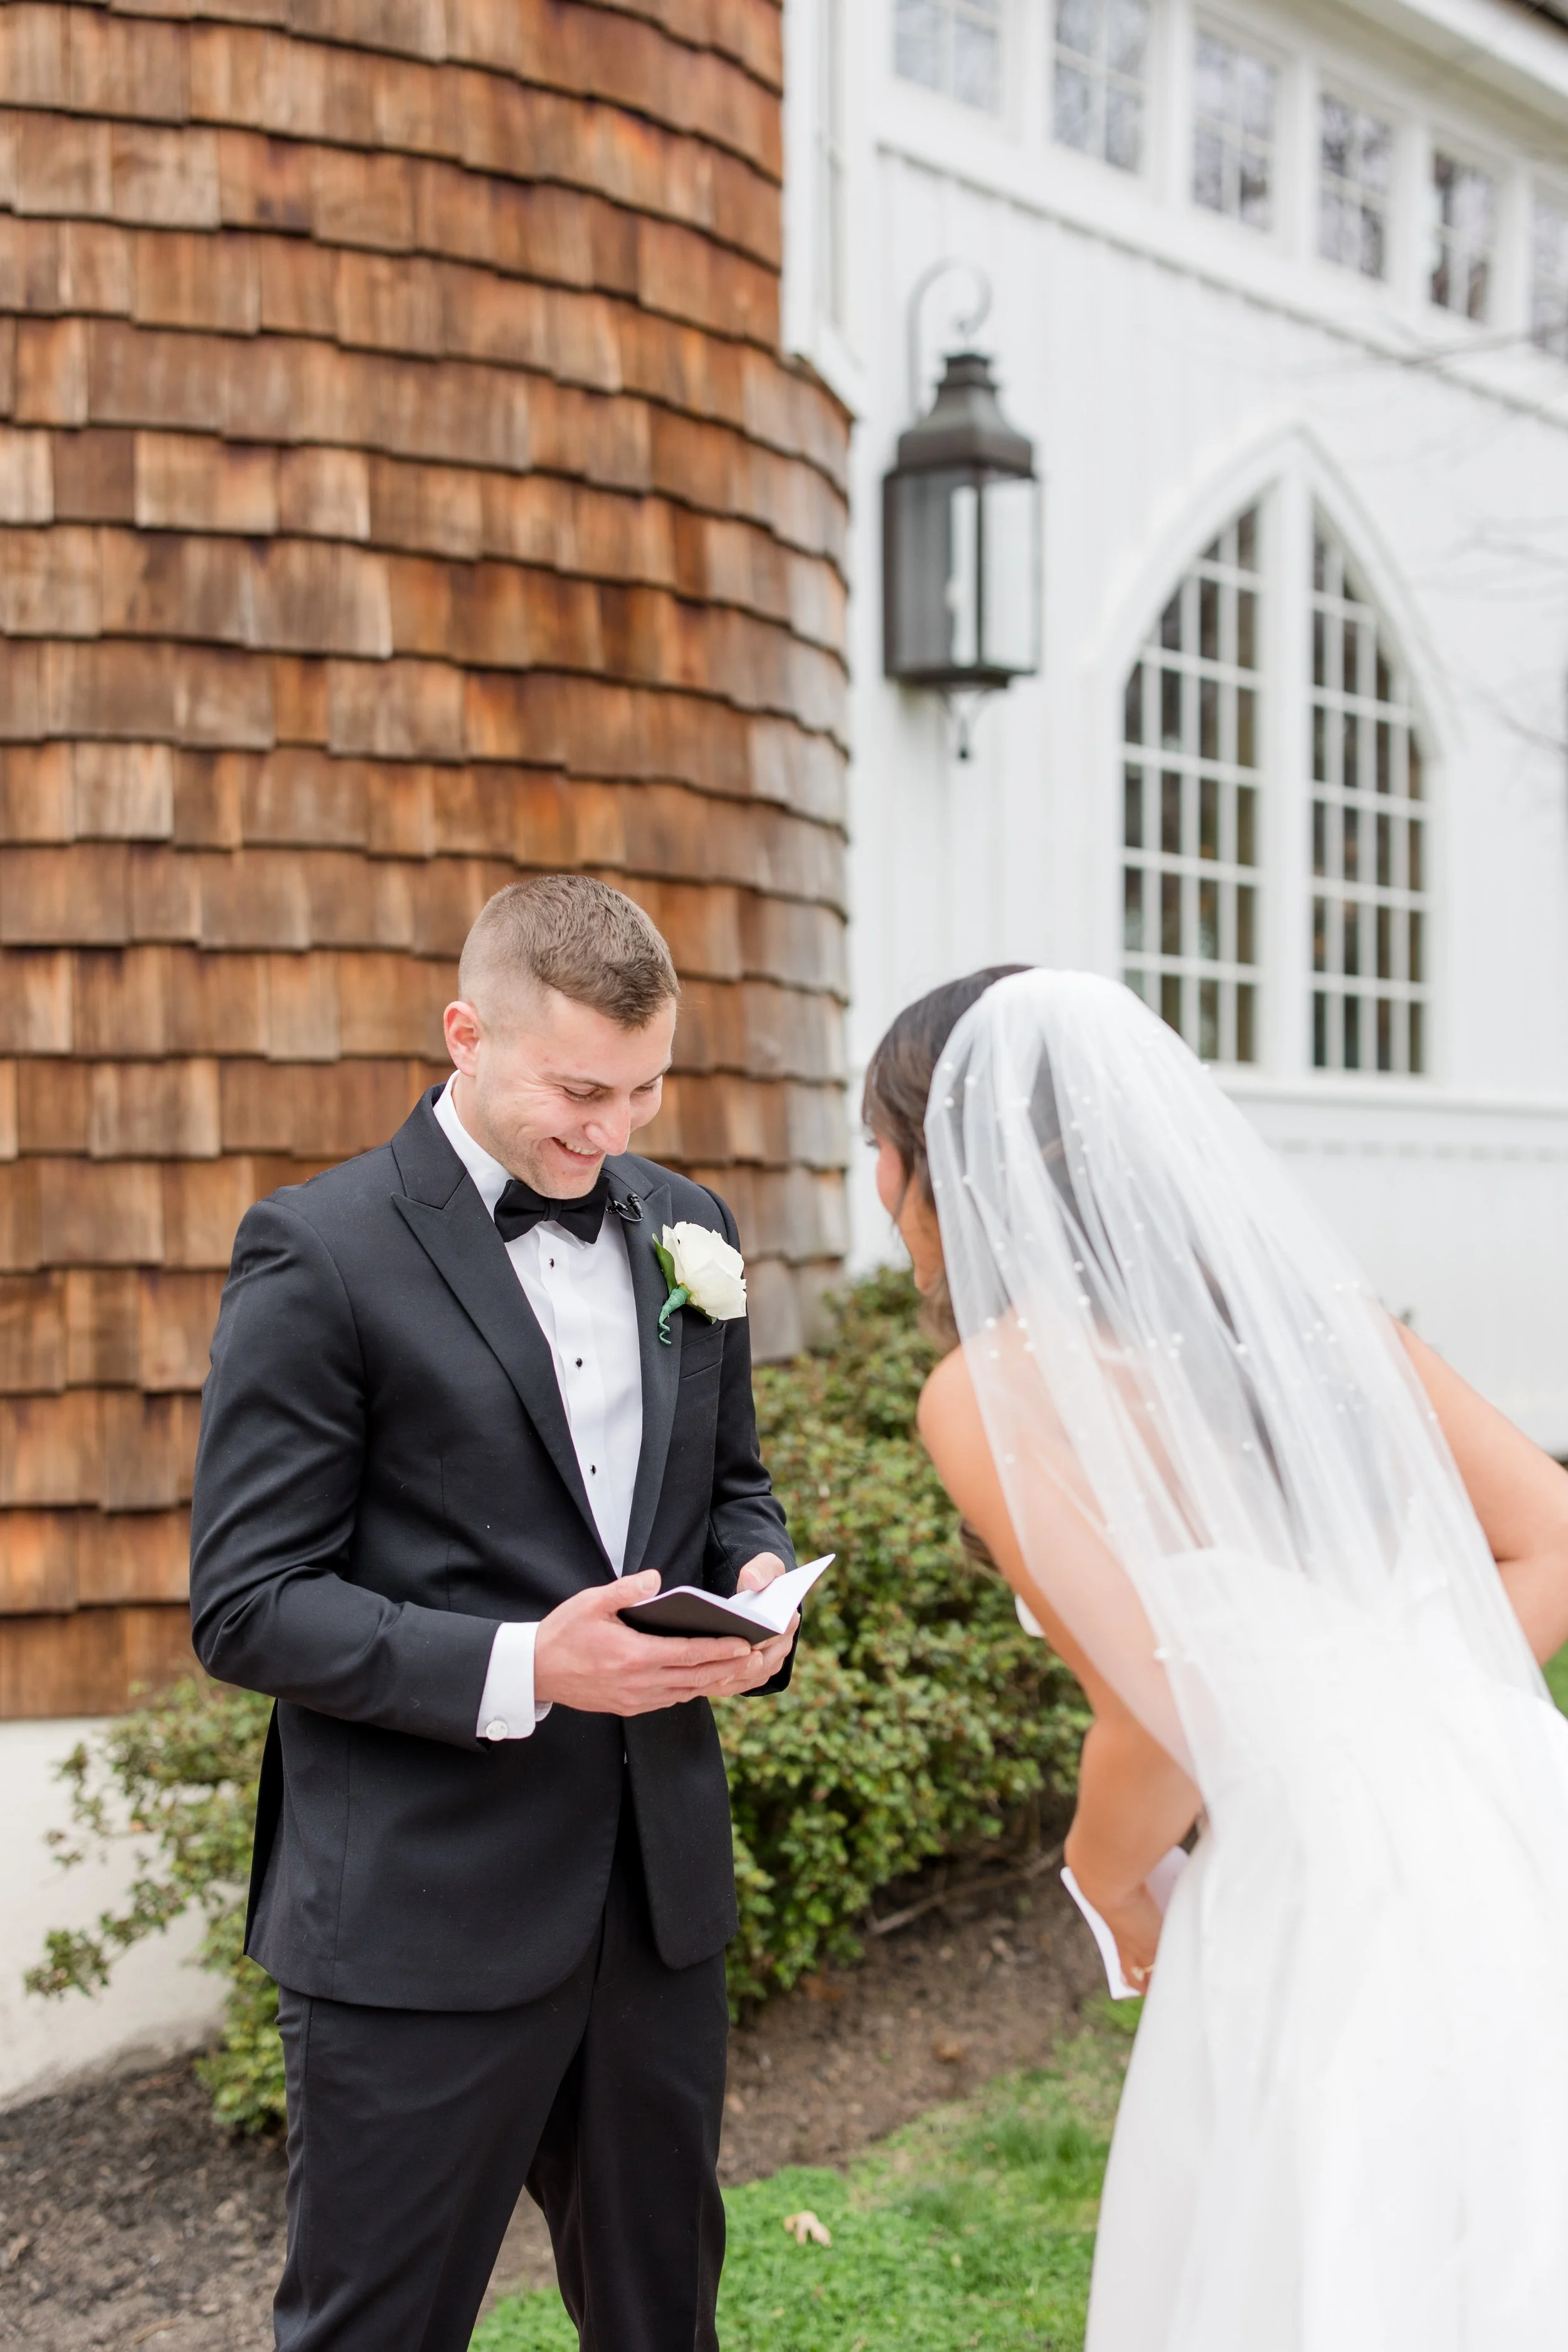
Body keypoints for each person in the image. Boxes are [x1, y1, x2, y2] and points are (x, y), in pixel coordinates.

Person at [864, 963, 1568, 2351]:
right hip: (1511, 1805)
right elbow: (1549, 1537)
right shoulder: (1316, 1322)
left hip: (1324, 1881)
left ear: (930, 1165)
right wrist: (1403, 1705)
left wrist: (1100, 1875)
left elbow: (1164, 1714)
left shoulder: (991, 1389)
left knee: (1330, 2240)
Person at [189, 875, 800, 2352]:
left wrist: (760, 1585)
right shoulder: (319, 1250)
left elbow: (733, 1487)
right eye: (580, 1091)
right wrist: (536, 1666)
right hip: (417, 1923)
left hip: (652, 1914)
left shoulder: (686, 1226)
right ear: (465, 1033)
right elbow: (249, 1607)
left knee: (666, 2325)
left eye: (645, 1093)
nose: (612, 1135)